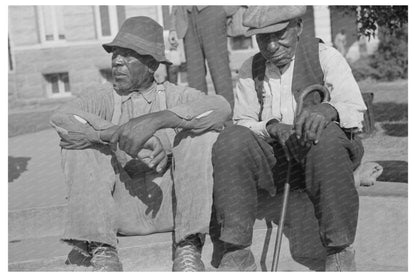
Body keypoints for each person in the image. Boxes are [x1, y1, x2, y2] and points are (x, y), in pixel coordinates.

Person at [50, 16, 231, 272]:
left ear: (151, 64)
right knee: (77, 142)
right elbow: (62, 119)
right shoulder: (102, 98)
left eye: (128, 55)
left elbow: (220, 108)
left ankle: (189, 248)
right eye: (115, 54)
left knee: (200, 135)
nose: (117, 61)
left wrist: (160, 124)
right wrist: (116, 134)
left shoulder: (173, 94)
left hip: (172, 209)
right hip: (118, 215)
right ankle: (102, 251)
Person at [211, 6, 367, 271]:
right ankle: (237, 252)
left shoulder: (326, 57)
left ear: (299, 28)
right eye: (262, 38)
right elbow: (243, 121)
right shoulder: (251, 67)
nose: (271, 45)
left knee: (327, 138)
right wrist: (271, 127)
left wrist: (328, 110)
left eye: (280, 34)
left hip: (322, 161)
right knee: (231, 140)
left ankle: (339, 251)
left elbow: (356, 111)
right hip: (277, 164)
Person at [168, 6, 238, 108]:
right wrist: (172, 28)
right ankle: (200, 117)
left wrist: (224, 10)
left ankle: (228, 118)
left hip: (212, 11)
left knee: (219, 70)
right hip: (186, 16)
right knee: (194, 75)